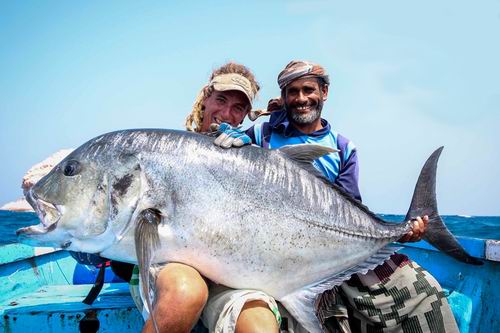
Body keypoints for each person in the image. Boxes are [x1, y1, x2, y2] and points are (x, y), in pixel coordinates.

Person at [216, 60, 459, 332]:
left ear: (325, 92)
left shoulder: (342, 148)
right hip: (280, 252)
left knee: (424, 292)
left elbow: (352, 206)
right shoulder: (263, 134)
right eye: (292, 92)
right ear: (284, 97)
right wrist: (234, 139)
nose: (301, 99)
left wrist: (403, 232)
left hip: (337, 248)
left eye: (308, 90)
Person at [137, 62, 286, 333]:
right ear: (205, 99)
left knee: (260, 326)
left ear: (243, 117)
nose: (226, 113)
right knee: (186, 293)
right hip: (174, 265)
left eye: (238, 108)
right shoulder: (170, 151)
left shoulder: (250, 160)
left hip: (229, 275)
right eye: (221, 99)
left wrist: (247, 162)